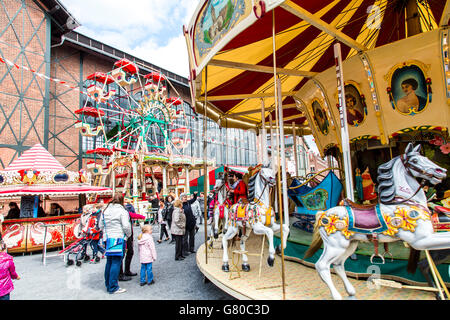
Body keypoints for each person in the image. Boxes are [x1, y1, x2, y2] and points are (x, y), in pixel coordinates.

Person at [99, 193, 131, 294]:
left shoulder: (106, 210)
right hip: (118, 237)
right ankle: (113, 286)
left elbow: (100, 225)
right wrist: (128, 235)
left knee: (109, 261)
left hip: (107, 237)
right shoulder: (122, 211)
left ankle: (108, 283)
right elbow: (126, 226)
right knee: (116, 262)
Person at [119, 199, 146, 281]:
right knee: (122, 254)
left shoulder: (123, 209)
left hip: (126, 234)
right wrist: (142, 217)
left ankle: (126, 270)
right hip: (124, 234)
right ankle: (121, 273)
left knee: (129, 252)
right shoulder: (122, 211)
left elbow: (131, 215)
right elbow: (131, 215)